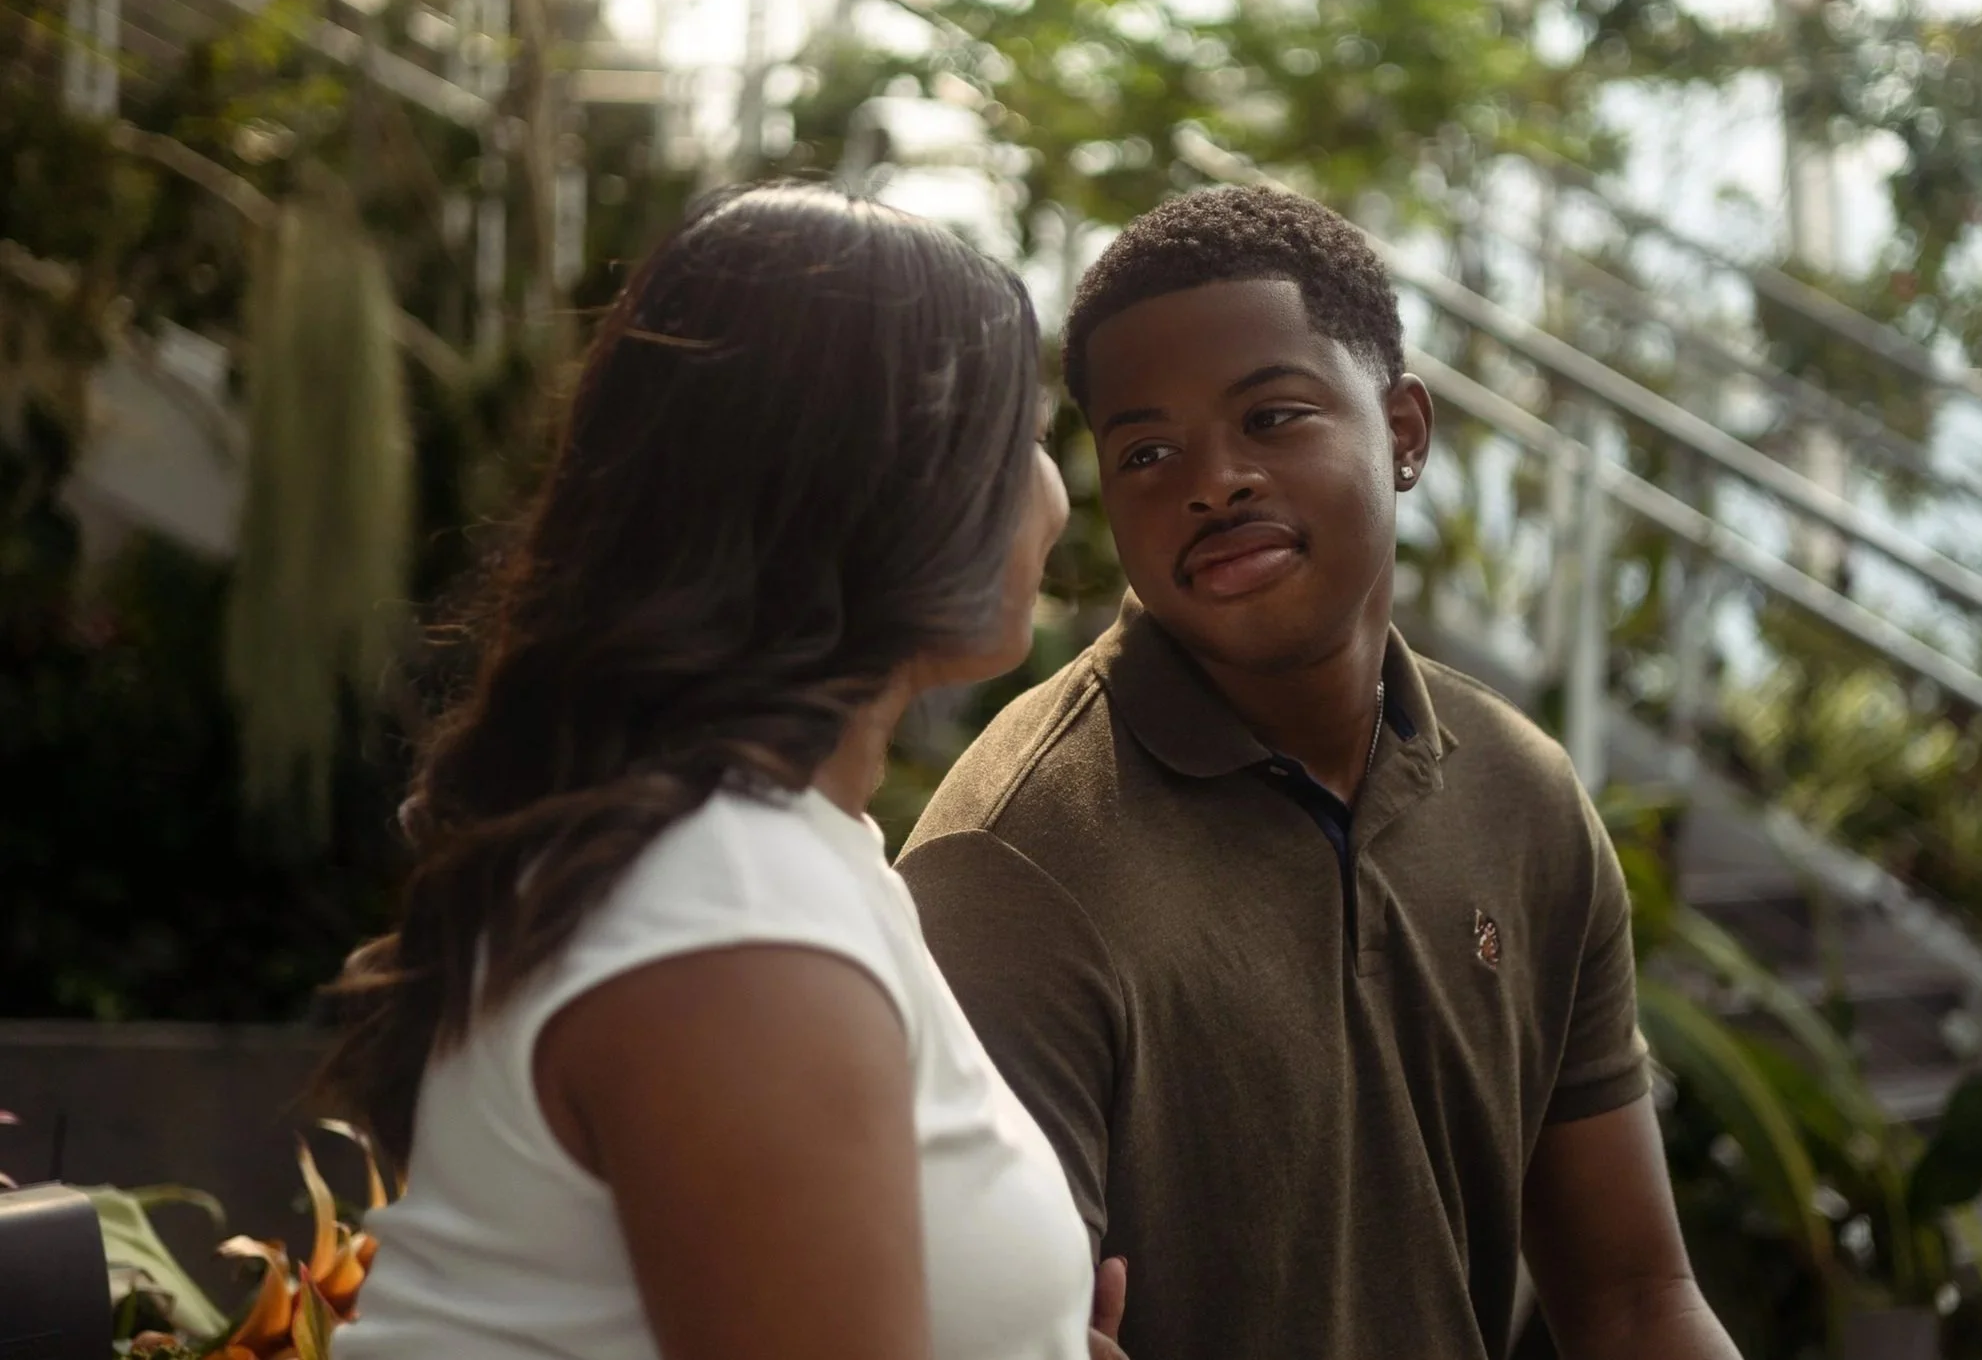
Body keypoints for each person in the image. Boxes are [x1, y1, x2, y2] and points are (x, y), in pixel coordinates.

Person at [897, 185, 1742, 1360]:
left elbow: (1636, 1300)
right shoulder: (1013, 863)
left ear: (1402, 431)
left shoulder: (1520, 794)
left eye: (1275, 417)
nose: (1213, 479)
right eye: (1147, 450)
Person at [316, 183, 1120, 1360]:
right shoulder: (732, 919)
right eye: (1022, 436)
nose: (1053, 488)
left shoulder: (777, 855)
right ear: (879, 486)